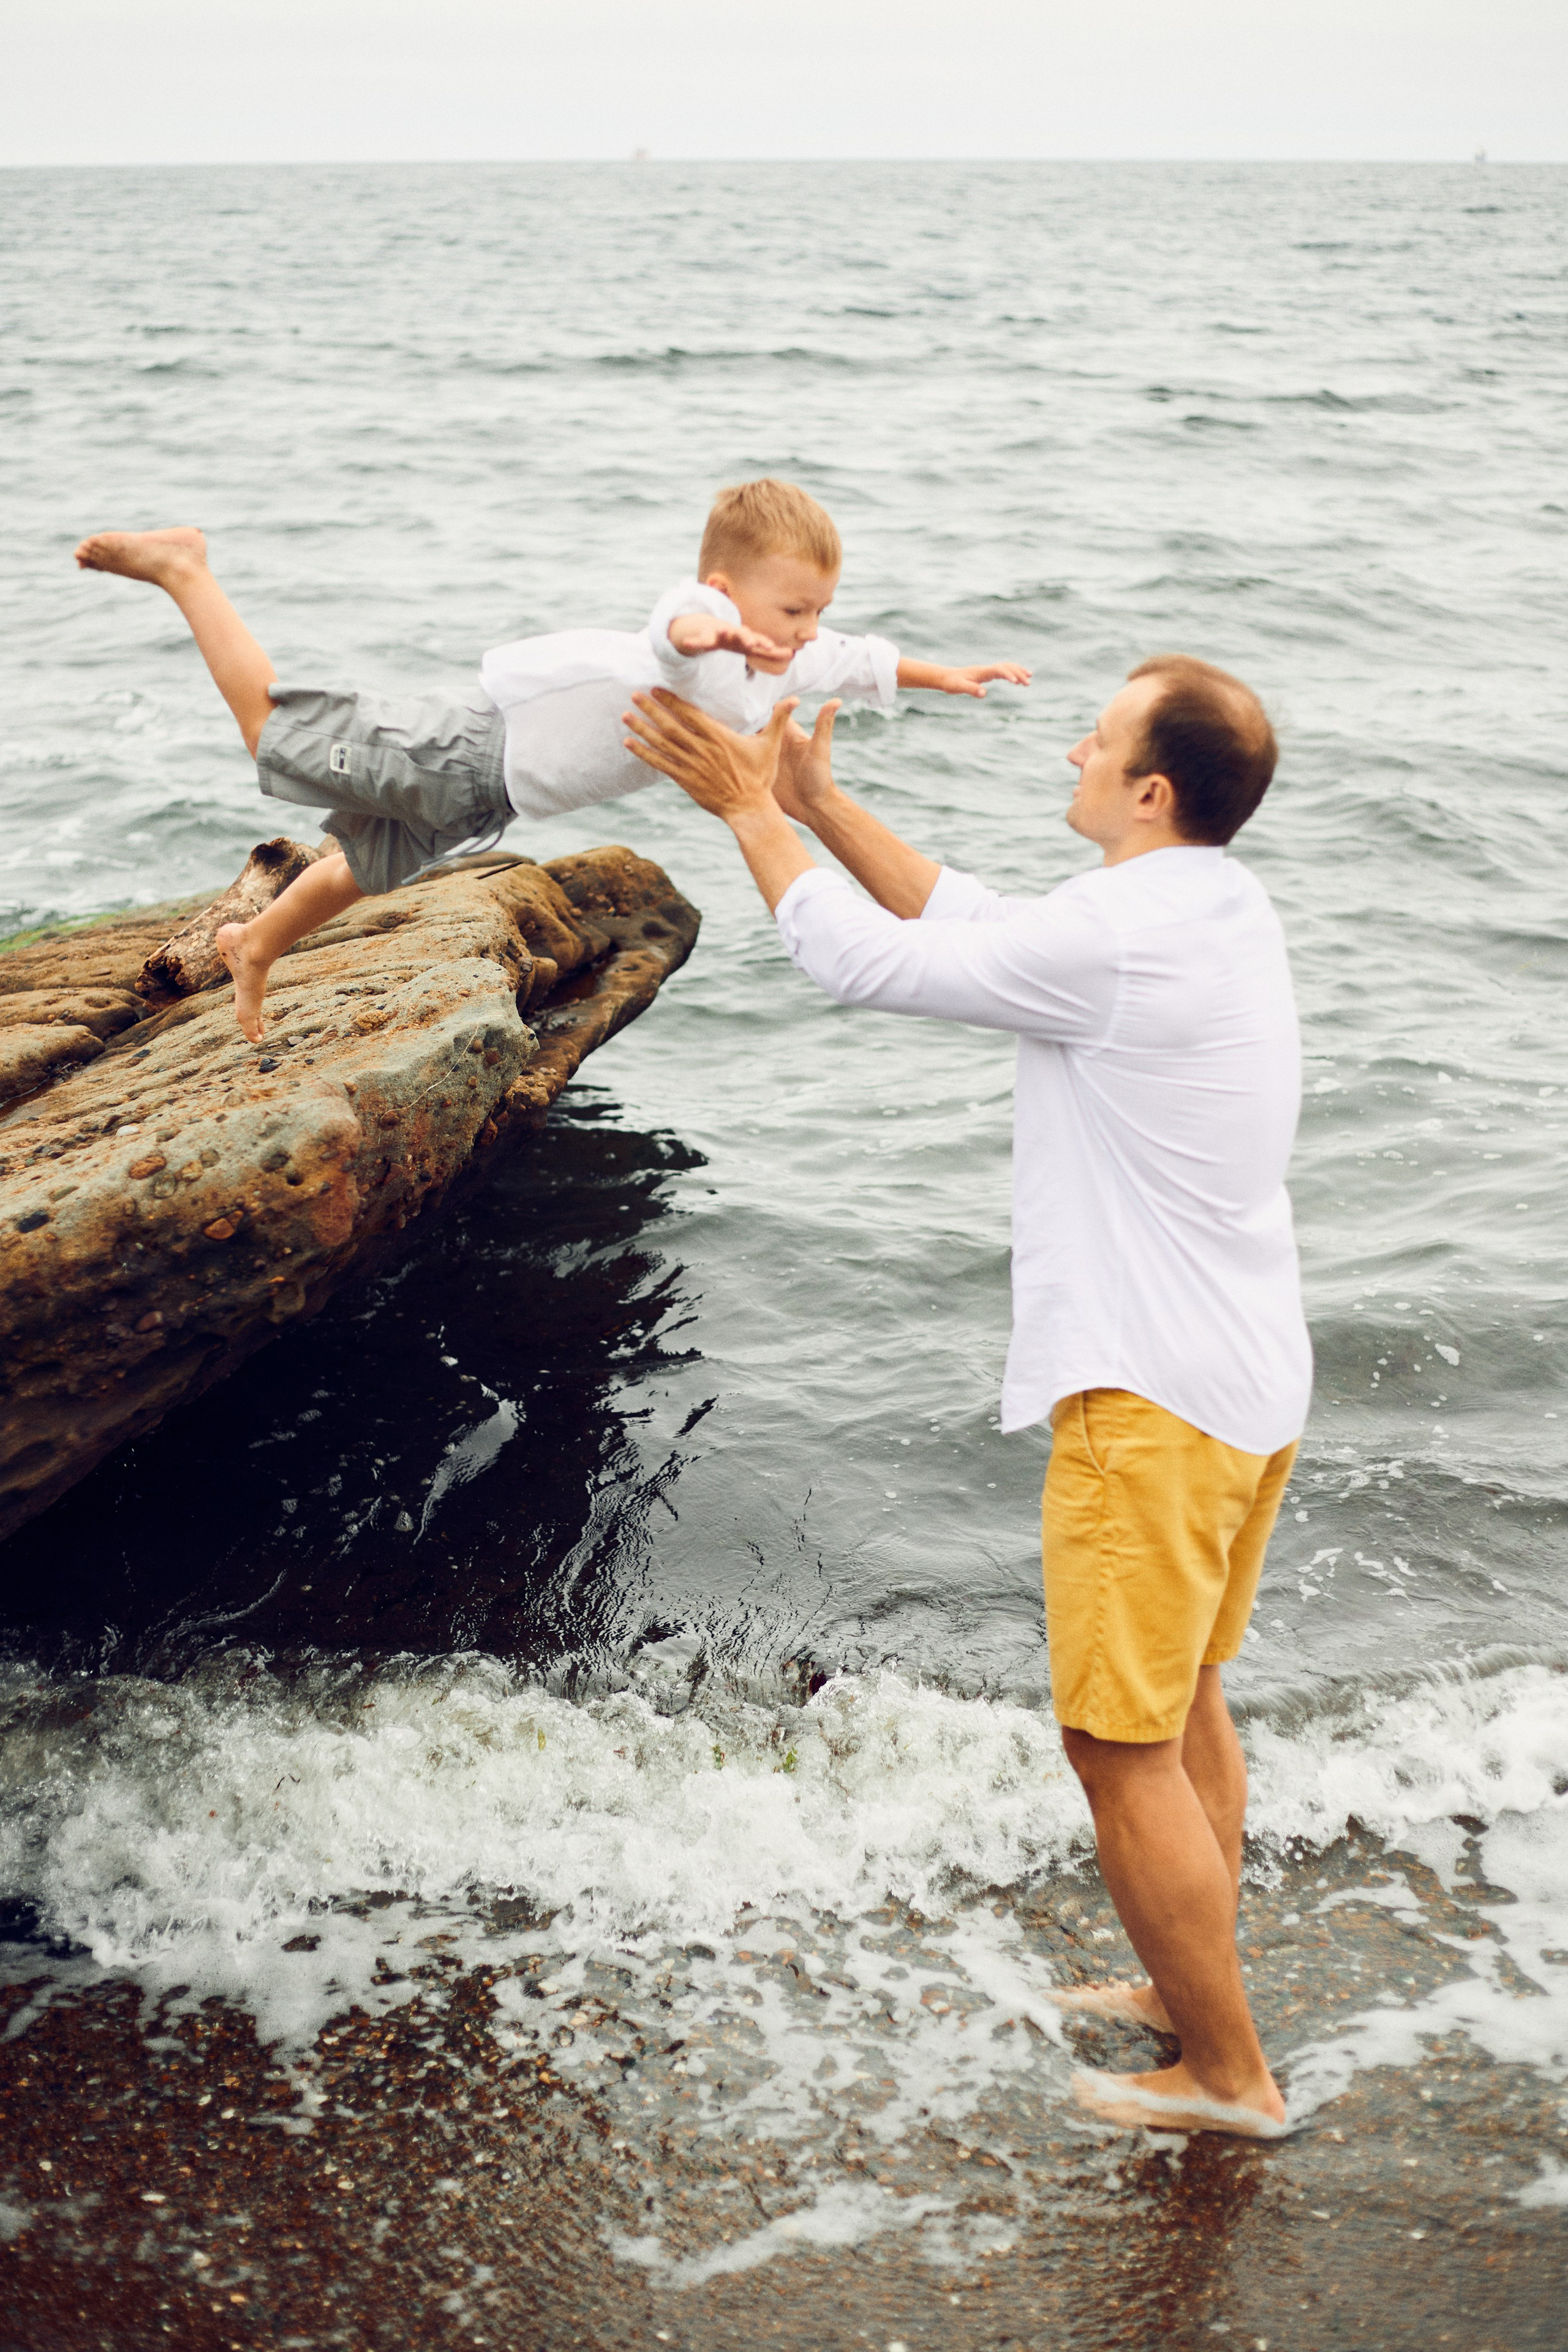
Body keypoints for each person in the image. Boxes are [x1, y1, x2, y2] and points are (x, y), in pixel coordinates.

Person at [620, 658, 1311, 2139]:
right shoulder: (1204, 904)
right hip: (1243, 1380)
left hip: (1152, 1402)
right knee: (1181, 1697)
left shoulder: (1120, 936)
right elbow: (981, 922)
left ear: (1148, 791)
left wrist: (749, 814)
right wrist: (818, 799)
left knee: (1112, 1745)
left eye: (1102, 735)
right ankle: (1183, 1996)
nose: (1073, 743)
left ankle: (1226, 2076)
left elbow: (861, 965)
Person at [72, 480, 1028, 1039]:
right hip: (471, 751)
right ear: (728, 593)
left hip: (491, 800)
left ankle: (256, 944)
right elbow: (671, 629)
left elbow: (859, 659)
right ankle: (187, 569)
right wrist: (711, 638)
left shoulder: (785, 654)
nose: (805, 631)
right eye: (790, 612)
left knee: (364, 868)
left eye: (815, 611)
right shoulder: (696, 634)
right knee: (267, 733)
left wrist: (946, 676)